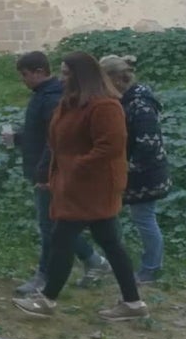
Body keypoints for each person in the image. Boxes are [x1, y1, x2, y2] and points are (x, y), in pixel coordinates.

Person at [12, 52, 148, 321]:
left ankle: (47, 300)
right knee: (109, 242)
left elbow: (109, 147)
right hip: (75, 186)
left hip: (93, 187)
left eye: (65, 74)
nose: (61, 79)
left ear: (81, 76)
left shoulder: (105, 106)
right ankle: (133, 303)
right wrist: (51, 169)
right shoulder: (71, 103)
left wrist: (73, 167)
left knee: (62, 239)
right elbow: (56, 140)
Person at [5, 51, 109, 296]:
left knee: (50, 225)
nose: (24, 80)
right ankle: (94, 261)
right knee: (57, 226)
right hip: (45, 169)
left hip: (52, 173)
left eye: (25, 75)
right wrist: (18, 138)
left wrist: (44, 173)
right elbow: (43, 133)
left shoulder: (52, 98)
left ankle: (45, 276)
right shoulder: (42, 95)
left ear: (39, 72)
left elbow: (57, 141)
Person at [100, 55, 171, 284]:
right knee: (132, 217)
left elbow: (148, 144)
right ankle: (127, 263)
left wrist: (126, 168)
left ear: (117, 79)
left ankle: (151, 268)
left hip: (146, 174)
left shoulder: (140, 103)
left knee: (144, 219)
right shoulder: (127, 99)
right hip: (134, 171)